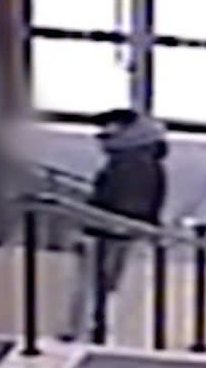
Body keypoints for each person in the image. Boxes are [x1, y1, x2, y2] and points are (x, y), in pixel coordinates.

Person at [62, 108, 168, 342]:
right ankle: (93, 328)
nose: (103, 133)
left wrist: (92, 223)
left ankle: (87, 330)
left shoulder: (130, 162)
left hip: (113, 232)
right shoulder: (141, 158)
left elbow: (124, 200)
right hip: (120, 231)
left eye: (110, 126)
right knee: (105, 285)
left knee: (99, 284)